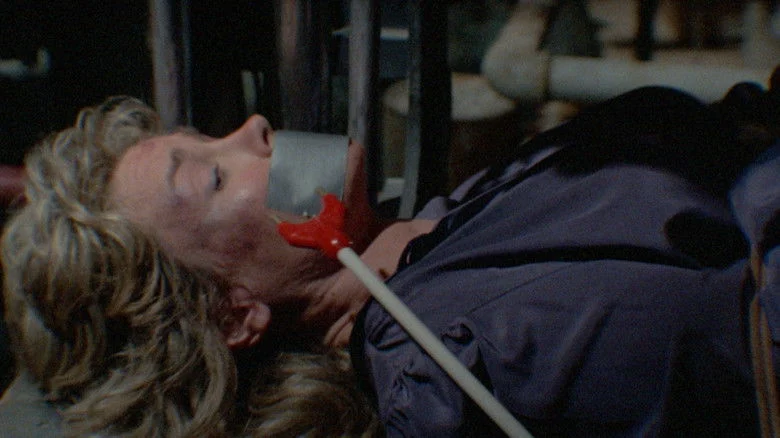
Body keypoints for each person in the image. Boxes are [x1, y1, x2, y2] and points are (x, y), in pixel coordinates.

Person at [1, 80, 778, 437]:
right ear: (234, 314)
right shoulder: (462, 355)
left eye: (210, 136)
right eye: (212, 177)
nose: (254, 128)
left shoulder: (426, 236)